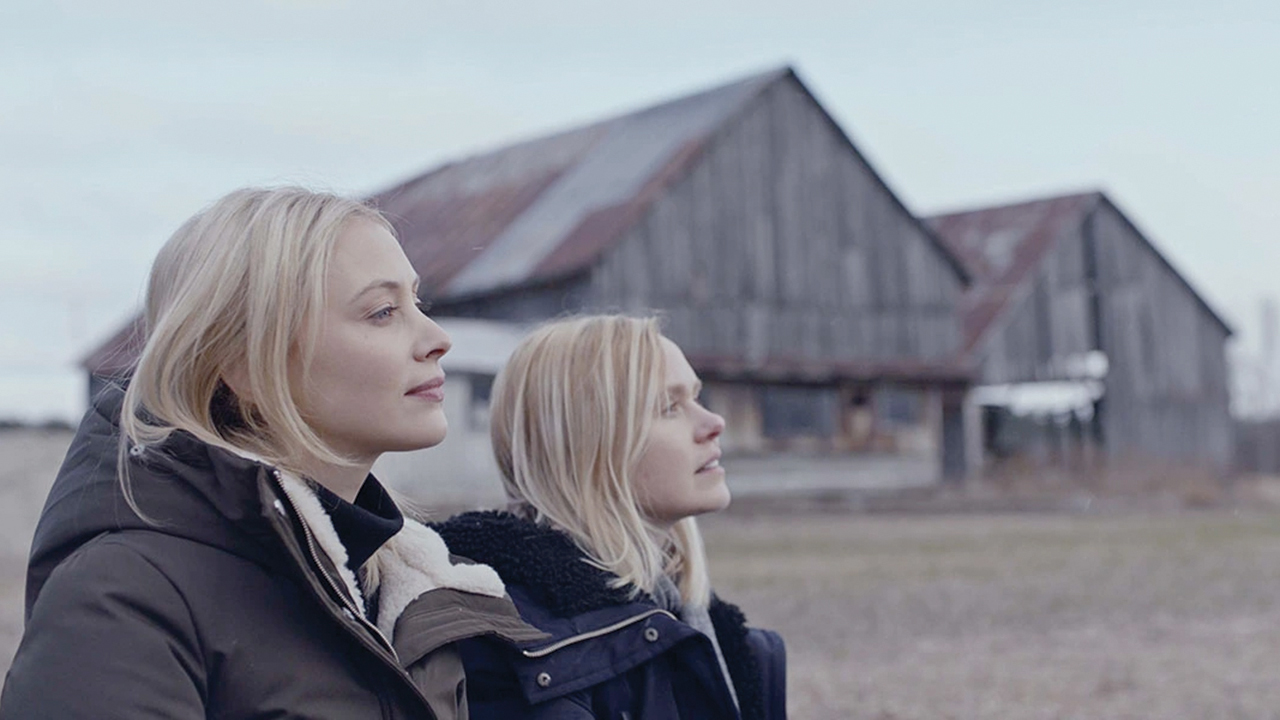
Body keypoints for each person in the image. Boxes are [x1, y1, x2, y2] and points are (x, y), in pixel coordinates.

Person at [0, 187, 544, 719]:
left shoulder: (408, 592)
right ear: (244, 363)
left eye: (417, 303)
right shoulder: (124, 595)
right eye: (382, 311)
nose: (437, 338)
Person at [436, 315, 787, 720]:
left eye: (696, 397)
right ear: (584, 441)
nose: (714, 423)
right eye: (670, 407)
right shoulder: (509, 654)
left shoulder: (727, 647)